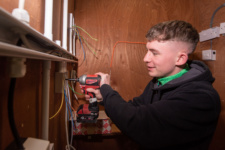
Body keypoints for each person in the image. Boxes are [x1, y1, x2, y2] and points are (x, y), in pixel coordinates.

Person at [85, 20, 221, 150]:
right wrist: (103, 97)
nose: (145, 58)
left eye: (154, 53)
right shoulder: (160, 81)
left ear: (180, 58)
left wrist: (106, 89)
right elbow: (134, 107)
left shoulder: (201, 98)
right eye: (147, 50)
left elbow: (138, 124)